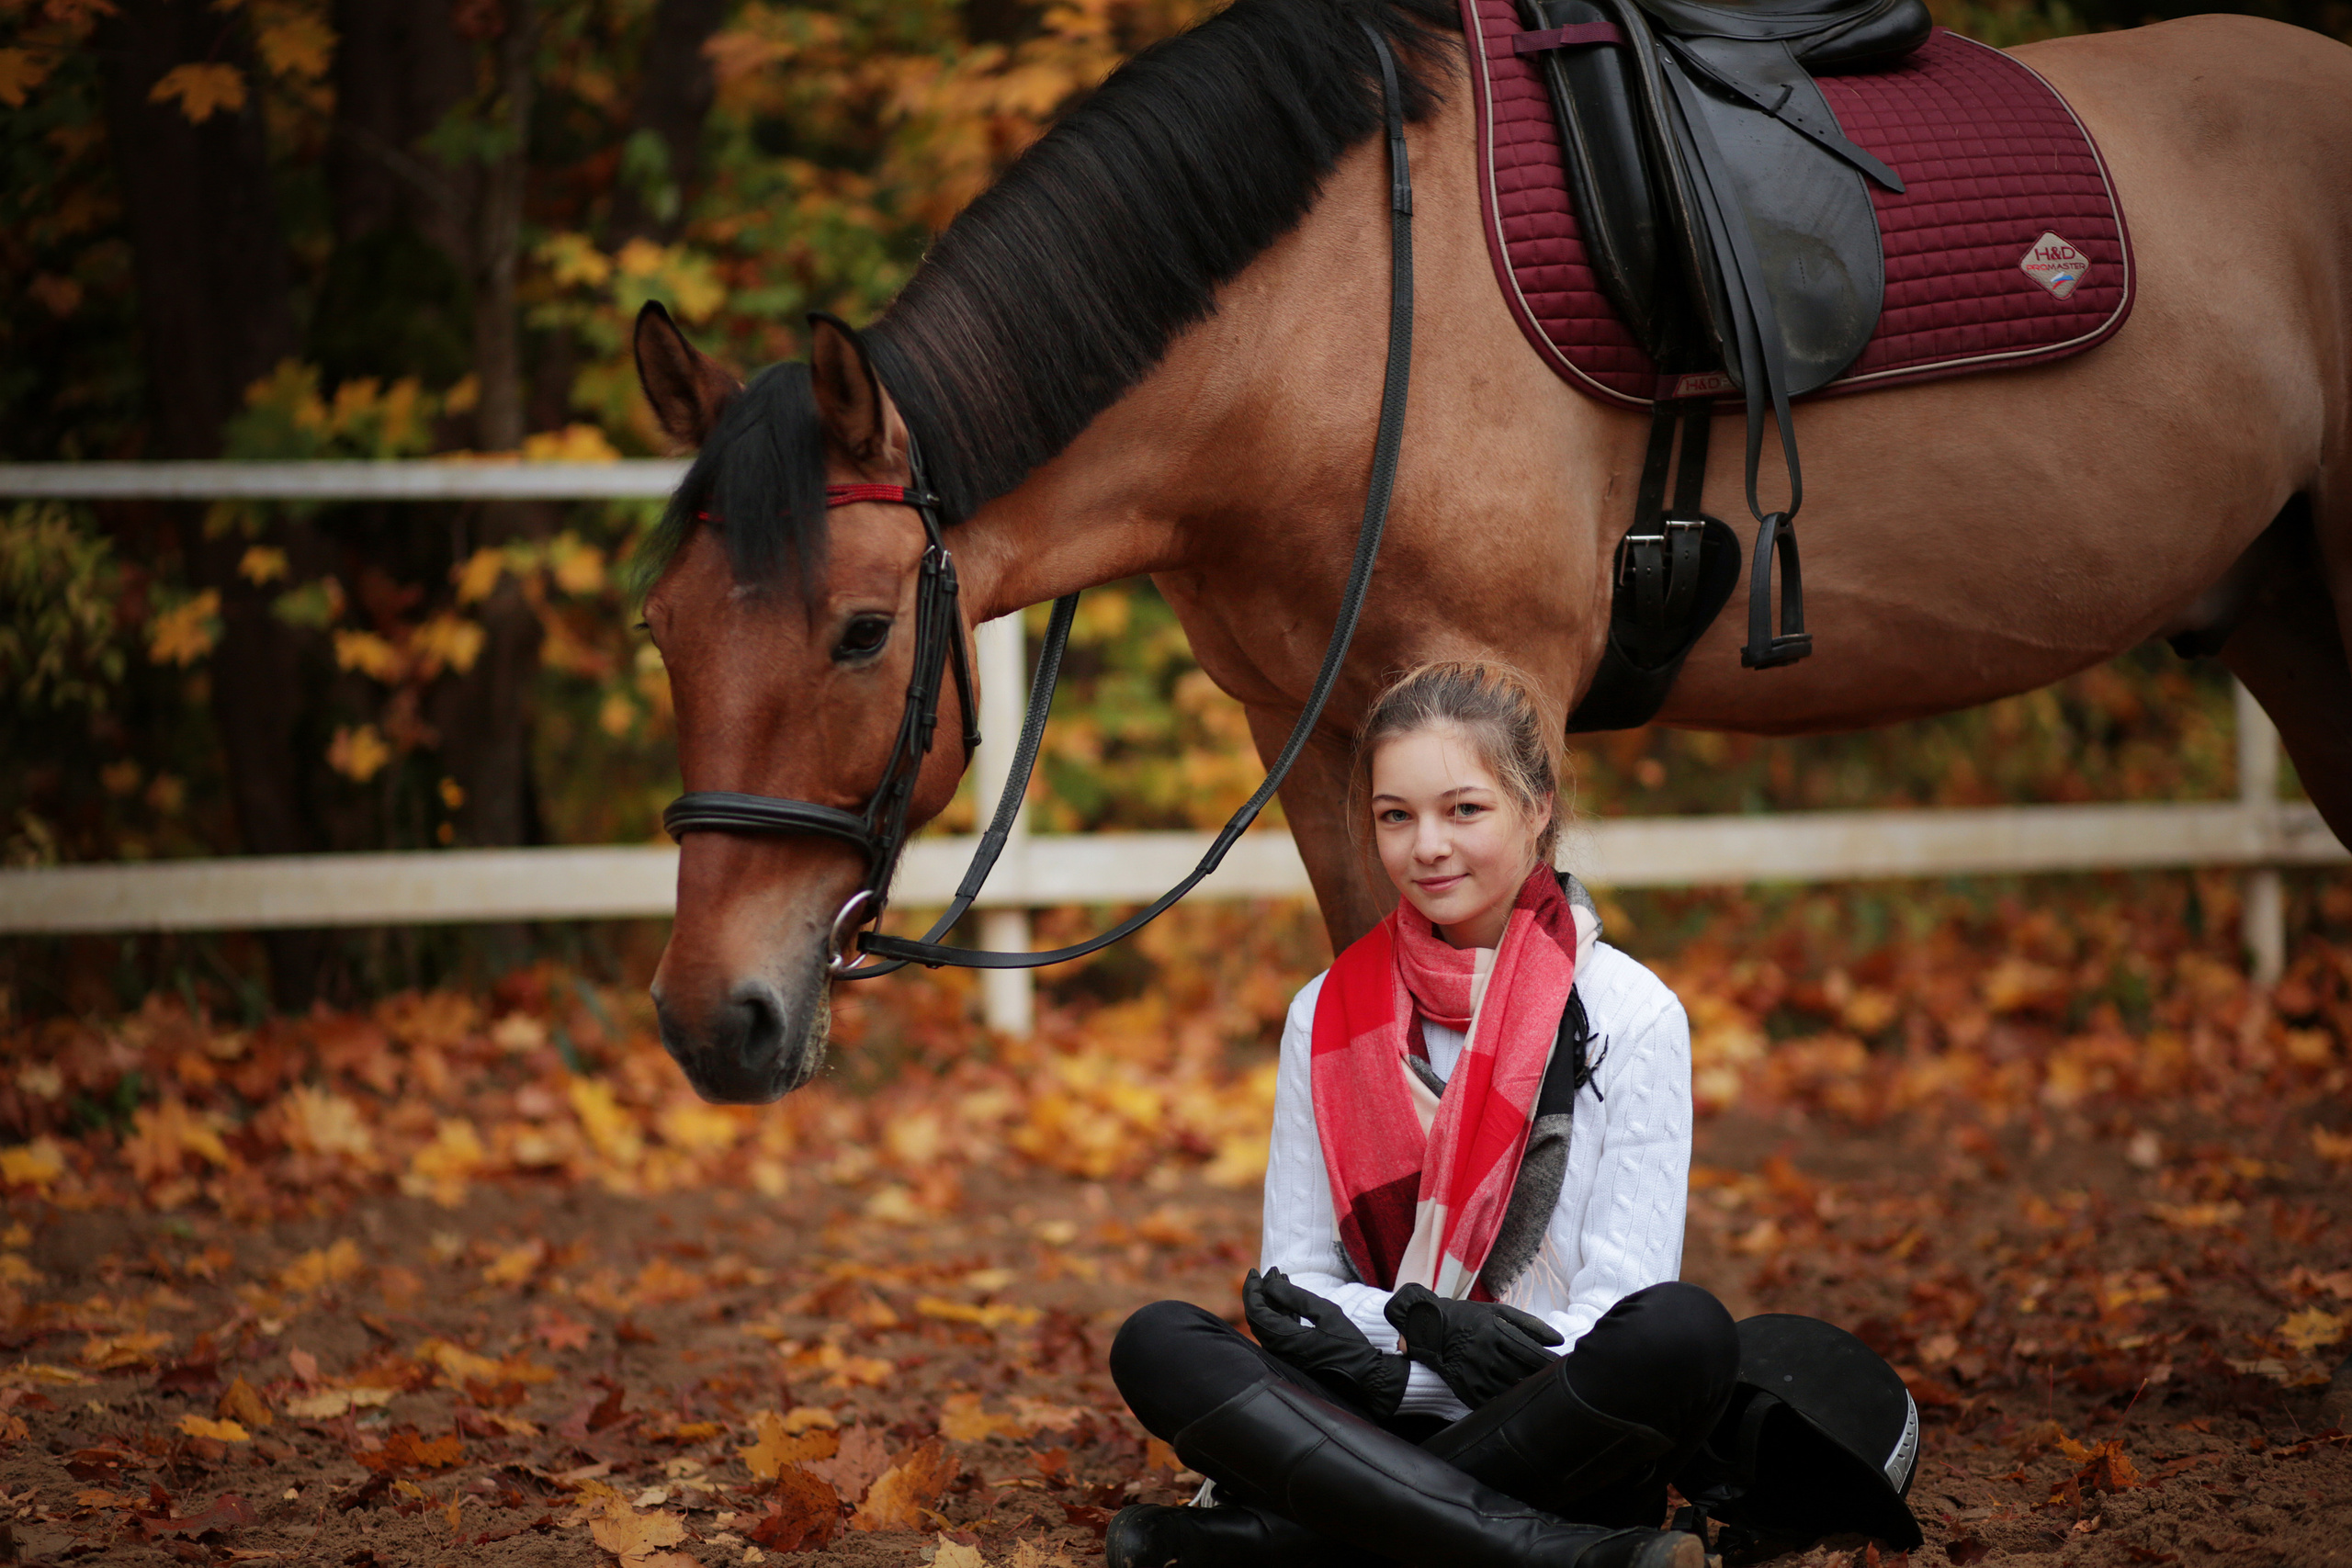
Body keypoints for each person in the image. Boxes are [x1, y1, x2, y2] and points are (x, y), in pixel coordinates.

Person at [1107, 661, 1738, 1568]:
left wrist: (1417, 1358)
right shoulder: (1325, 1014)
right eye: (1394, 816)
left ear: (1538, 808)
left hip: (1552, 1406)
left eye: (1463, 810)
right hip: (1371, 1402)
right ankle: (1567, 1554)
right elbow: (1297, 1290)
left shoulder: (1635, 1012)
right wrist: (1415, 1346)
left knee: (1682, 1336)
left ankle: (1273, 1540)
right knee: (1159, 1342)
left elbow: (1617, 1309)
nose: (1426, 847)